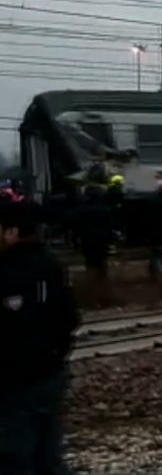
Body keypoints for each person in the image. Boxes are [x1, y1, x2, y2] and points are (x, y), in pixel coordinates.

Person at [0, 197, 81, 475]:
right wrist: (55, 355)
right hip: (49, 374)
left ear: (11, 232)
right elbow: (69, 318)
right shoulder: (51, 264)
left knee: (14, 458)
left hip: (15, 381)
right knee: (47, 456)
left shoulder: (7, 271)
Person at [71, 185, 114, 280]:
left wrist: (75, 240)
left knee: (90, 261)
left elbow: (76, 225)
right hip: (102, 238)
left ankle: (92, 281)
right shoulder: (105, 209)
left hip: (87, 238)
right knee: (102, 259)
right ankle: (102, 280)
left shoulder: (81, 209)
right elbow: (110, 224)